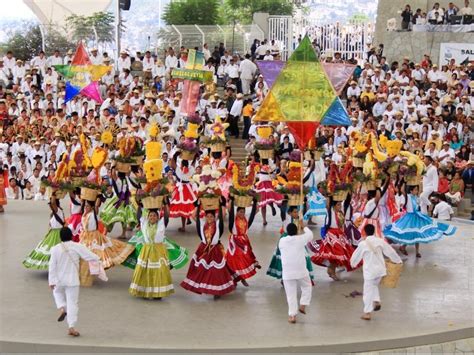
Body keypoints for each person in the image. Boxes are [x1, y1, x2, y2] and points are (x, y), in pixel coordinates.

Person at [48, 227, 101, 337]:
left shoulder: (55, 249)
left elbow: (52, 266)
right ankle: (71, 327)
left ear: (60, 238)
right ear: (71, 236)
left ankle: (62, 307)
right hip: (73, 281)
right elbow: (90, 256)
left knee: (56, 292)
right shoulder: (77, 246)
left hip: (59, 280)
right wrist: (98, 259)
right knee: (73, 303)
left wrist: (51, 281)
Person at [180, 201, 236, 299]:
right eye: (208, 217)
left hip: (215, 250)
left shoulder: (218, 225)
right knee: (202, 270)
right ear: (205, 217)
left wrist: (220, 204)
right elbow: (194, 217)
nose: (209, 219)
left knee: (215, 270)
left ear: (215, 218)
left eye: (212, 217)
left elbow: (222, 216)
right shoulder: (202, 225)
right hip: (203, 250)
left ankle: (216, 291)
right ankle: (203, 286)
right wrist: (197, 206)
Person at [383, 185, 457, 258]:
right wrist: (405, 179)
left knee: (418, 234)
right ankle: (403, 247)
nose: (416, 191)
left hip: (416, 216)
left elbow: (419, 203)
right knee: (410, 233)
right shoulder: (408, 196)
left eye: (417, 189)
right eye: (415, 189)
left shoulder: (416, 198)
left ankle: (417, 251)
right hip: (409, 217)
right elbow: (402, 190)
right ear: (411, 190)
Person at [350, 224, 402, 321]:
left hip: (370, 271)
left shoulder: (363, 244)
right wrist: (398, 261)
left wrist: (353, 264)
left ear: (364, 232)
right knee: (374, 286)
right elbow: (390, 251)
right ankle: (377, 301)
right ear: (374, 231)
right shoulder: (380, 241)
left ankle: (367, 313)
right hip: (381, 270)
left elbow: (355, 257)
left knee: (367, 292)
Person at [129, 208, 174, 299]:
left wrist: (165, 204)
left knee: (158, 271)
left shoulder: (161, 224)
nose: (152, 217)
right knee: (145, 270)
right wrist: (139, 205)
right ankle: (144, 291)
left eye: (154, 216)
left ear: (158, 217)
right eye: (150, 216)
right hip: (147, 250)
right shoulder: (144, 224)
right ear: (148, 217)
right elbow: (138, 216)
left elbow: (166, 217)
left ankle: (157, 293)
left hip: (158, 250)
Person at [279, 221, 314, 324]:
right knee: (307, 286)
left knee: (291, 294)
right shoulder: (300, 239)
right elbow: (310, 235)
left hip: (287, 272)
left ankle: (292, 316)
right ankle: (303, 304)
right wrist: (304, 227)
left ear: (287, 232)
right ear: (297, 231)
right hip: (301, 270)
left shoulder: (282, 241)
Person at [23, 194, 65, 269]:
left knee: (54, 250)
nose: (49, 206)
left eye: (50, 204)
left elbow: (53, 202)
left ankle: (58, 266)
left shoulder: (58, 211)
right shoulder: (53, 213)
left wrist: (53, 192)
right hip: (52, 233)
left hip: (58, 234)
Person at [225, 197, 260, 286]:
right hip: (234, 243)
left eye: (243, 212)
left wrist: (255, 201)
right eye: (240, 212)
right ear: (237, 212)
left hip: (244, 243)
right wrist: (232, 200)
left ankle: (242, 278)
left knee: (244, 260)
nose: (242, 214)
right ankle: (234, 279)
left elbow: (253, 214)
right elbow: (231, 212)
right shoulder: (233, 220)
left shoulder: (246, 220)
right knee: (233, 262)